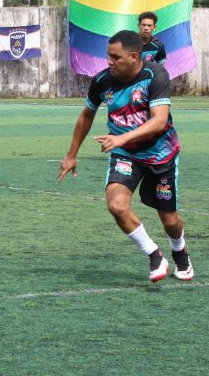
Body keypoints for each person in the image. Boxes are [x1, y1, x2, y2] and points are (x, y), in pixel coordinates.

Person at [59, 30, 194, 283]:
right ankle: (154, 255)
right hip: (126, 156)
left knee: (169, 220)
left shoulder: (155, 75)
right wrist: (71, 155)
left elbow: (159, 121)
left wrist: (120, 137)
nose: (109, 61)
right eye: (108, 56)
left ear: (134, 57)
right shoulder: (102, 80)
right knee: (116, 205)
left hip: (160, 155)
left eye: (115, 57)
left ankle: (180, 250)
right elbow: (86, 115)